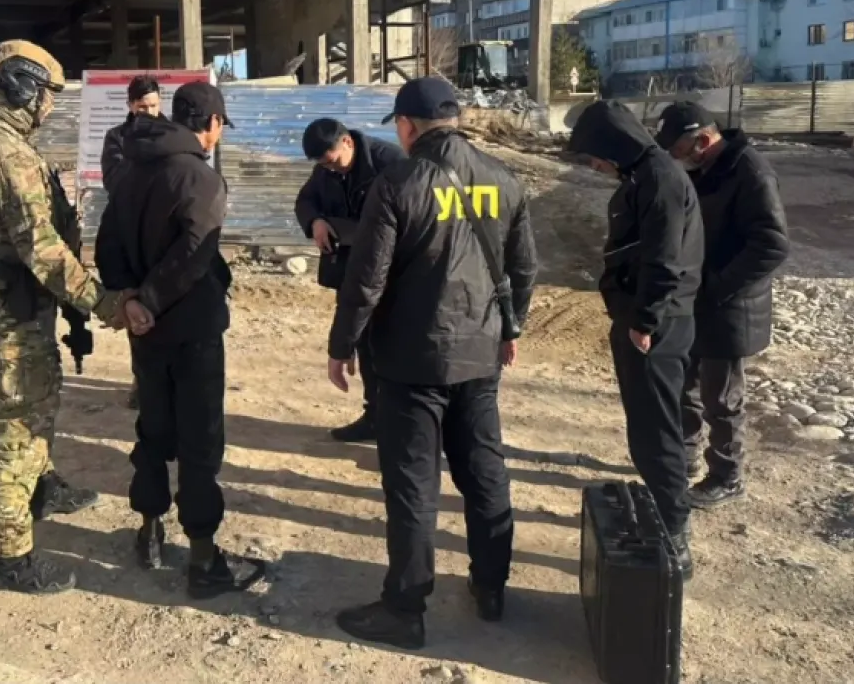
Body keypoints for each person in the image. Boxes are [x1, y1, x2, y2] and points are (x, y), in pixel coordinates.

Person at [326, 78, 537, 649]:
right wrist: (510, 328)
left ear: (407, 126)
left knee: (414, 486)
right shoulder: (504, 177)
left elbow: (366, 278)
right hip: (480, 355)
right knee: (485, 472)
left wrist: (342, 345)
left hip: (411, 360)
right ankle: (490, 588)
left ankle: (405, 609)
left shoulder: (397, 182)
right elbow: (523, 268)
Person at [0, 40, 129, 595]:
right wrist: (105, 303)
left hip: (13, 299)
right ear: (22, 85)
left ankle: (42, 487)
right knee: (21, 420)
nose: (49, 104)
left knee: (39, 398)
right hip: (15, 305)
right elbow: (42, 250)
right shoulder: (3, 150)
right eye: (47, 92)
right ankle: (11, 555)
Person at [95, 81, 266, 599]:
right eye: (220, 126)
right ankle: (204, 559)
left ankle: (149, 530)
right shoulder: (201, 178)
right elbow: (194, 253)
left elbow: (107, 242)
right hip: (192, 329)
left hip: (145, 333)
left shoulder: (130, 169)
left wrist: (129, 299)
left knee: (153, 428)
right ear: (211, 123)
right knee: (199, 442)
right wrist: (148, 300)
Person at [567, 100, 705, 580]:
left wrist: (644, 322)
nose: (594, 166)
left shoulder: (660, 179)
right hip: (645, 317)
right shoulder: (644, 176)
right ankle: (666, 516)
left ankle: (675, 532)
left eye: (594, 156)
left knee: (657, 431)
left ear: (613, 145)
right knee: (646, 429)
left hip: (658, 324)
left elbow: (665, 260)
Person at [654, 102, 789, 508]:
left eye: (678, 148)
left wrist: (718, 286)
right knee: (685, 386)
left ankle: (727, 476)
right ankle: (684, 458)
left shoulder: (750, 172)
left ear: (702, 139)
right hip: (698, 301)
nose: (675, 157)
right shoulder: (705, 169)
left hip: (730, 307)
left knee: (723, 399)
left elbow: (772, 245)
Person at [295, 117, 406, 443]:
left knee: (393, 349)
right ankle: (375, 416)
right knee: (364, 343)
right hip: (350, 271)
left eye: (333, 162)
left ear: (347, 142)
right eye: (323, 165)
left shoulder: (391, 164)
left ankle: (401, 423)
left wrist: (351, 232)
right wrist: (315, 221)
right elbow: (305, 200)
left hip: (391, 274)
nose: (331, 169)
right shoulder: (326, 170)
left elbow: (405, 222)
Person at [101, 74, 166, 411]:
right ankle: (142, 380)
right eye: (142, 107)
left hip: (167, 233)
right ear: (129, 105)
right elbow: (114, 181)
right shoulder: (117, 138)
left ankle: (168, 380)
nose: (149, 113)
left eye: (154, 106)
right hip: (133, 235)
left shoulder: (174, 134)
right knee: (138, 308)